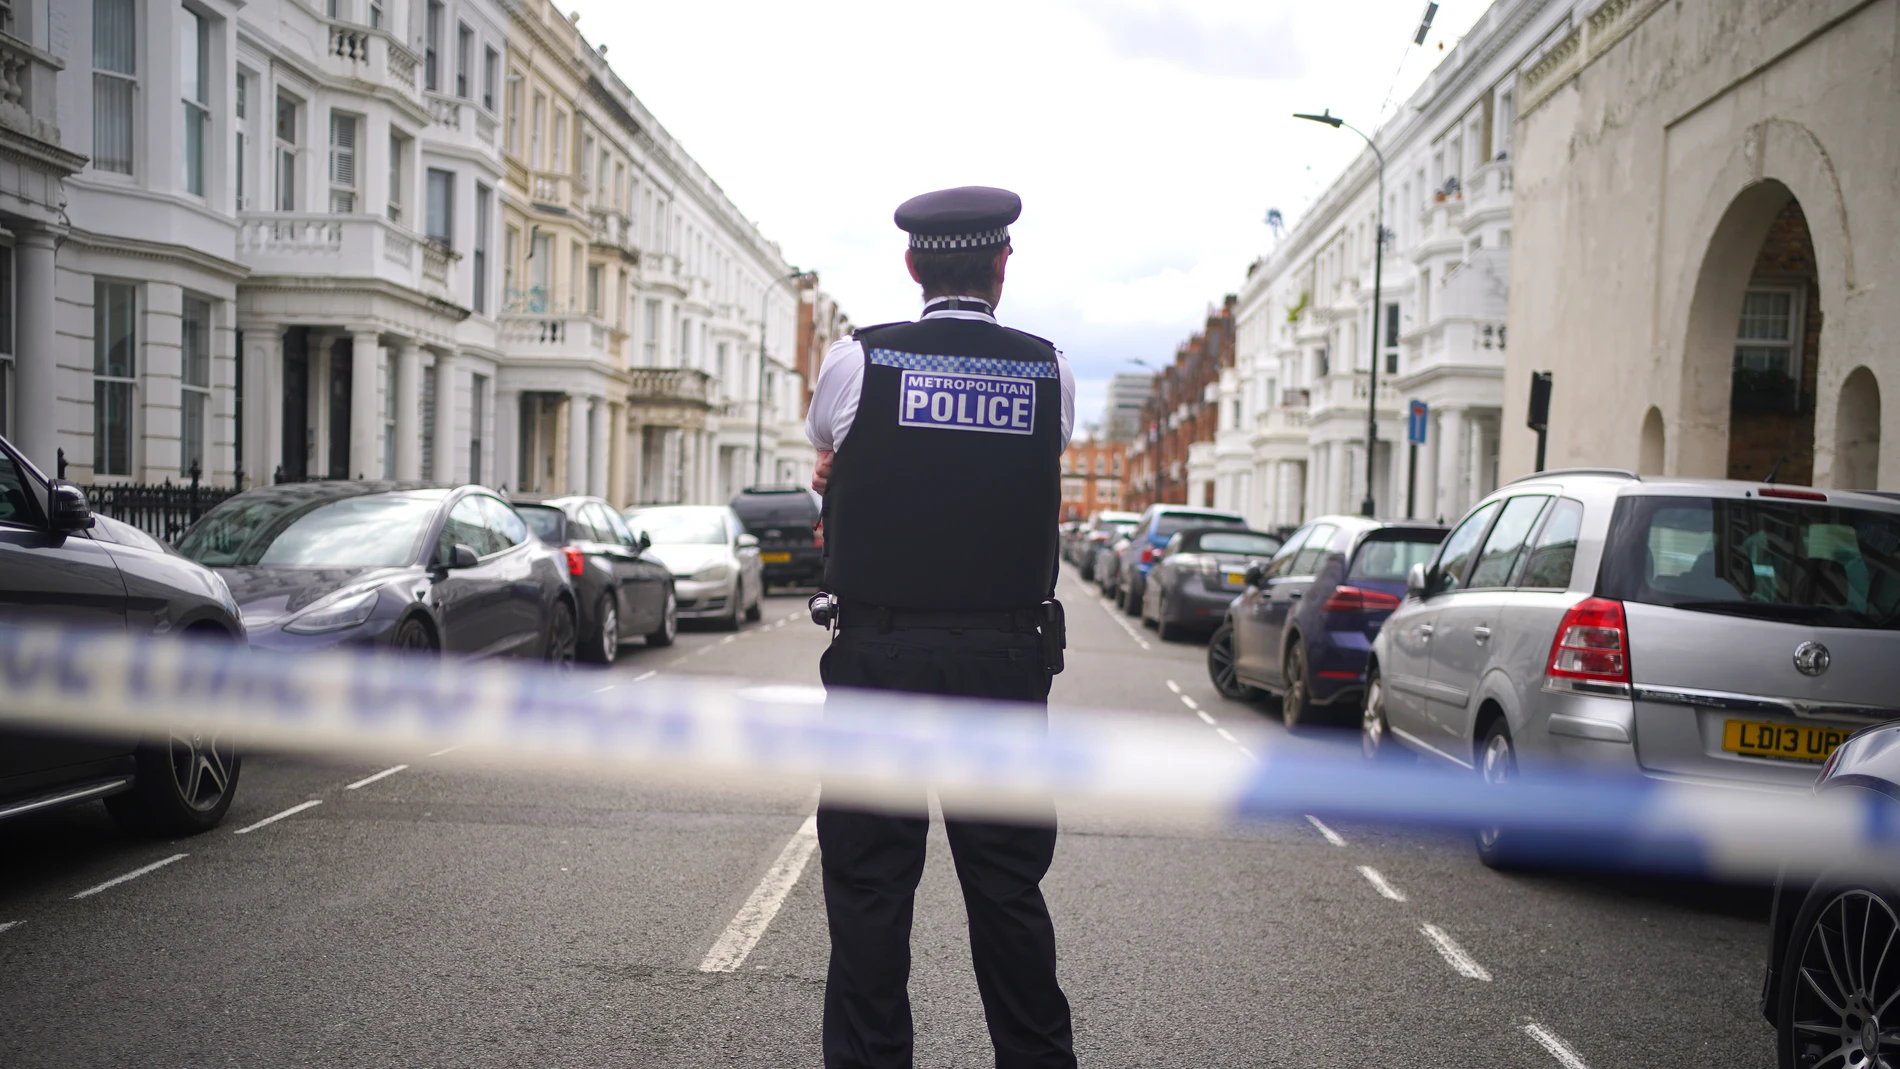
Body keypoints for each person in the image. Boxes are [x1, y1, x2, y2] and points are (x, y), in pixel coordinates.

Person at [804, 185, 1078, 1069]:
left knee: (871, 887)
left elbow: (832, 454)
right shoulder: (1050, 370)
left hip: (878, 657)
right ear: (1002, 267)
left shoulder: (858, 362)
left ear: (913, 265)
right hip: (1005, 663)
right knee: (1006, 889)